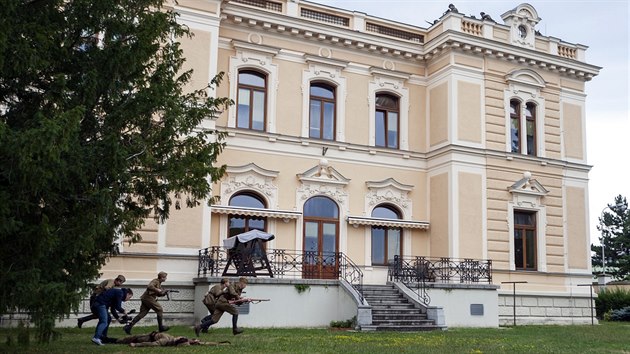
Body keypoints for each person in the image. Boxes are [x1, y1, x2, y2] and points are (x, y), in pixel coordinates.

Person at [126, 332, 231, 347]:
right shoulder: (168, 340)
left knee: (129, 339)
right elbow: (203, 343)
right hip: (148, 336)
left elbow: (152, 344)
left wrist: (136, 345)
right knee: (128, 339)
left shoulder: (166, 341)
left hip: (147, 337)